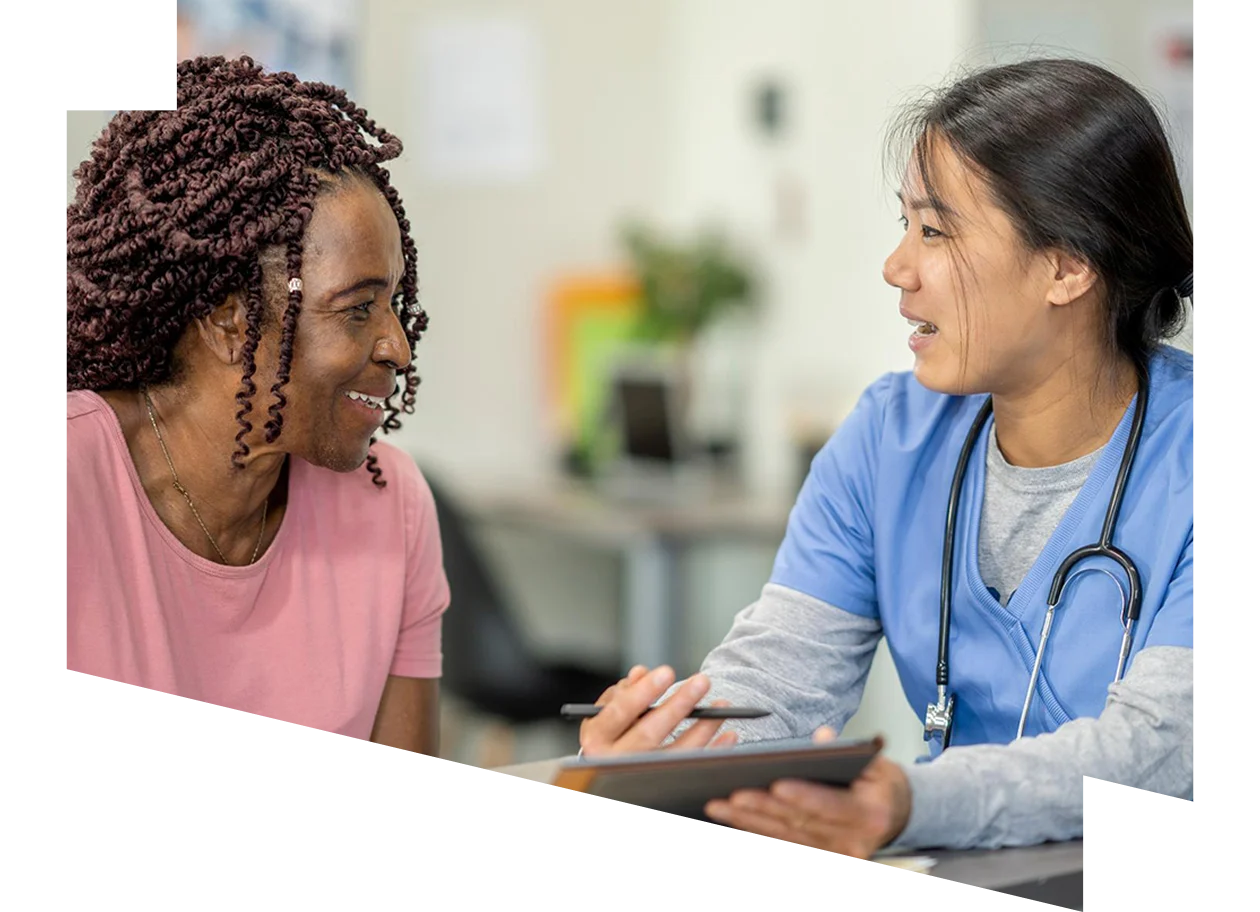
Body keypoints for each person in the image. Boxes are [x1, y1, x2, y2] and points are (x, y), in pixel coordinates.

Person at [576, 58, 1198, 857]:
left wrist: (913, 802)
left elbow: (1157, 754)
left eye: (934, 231)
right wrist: (659, 750)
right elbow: (777, 683)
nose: (896, 268)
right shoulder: (889, 438)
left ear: (1068, 265)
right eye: (905, 225)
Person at [63, 56, 450, 755]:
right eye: (357, 308)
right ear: (227, 320)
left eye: (395, 303)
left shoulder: (391, 505)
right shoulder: (73, 483)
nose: (397, 345)